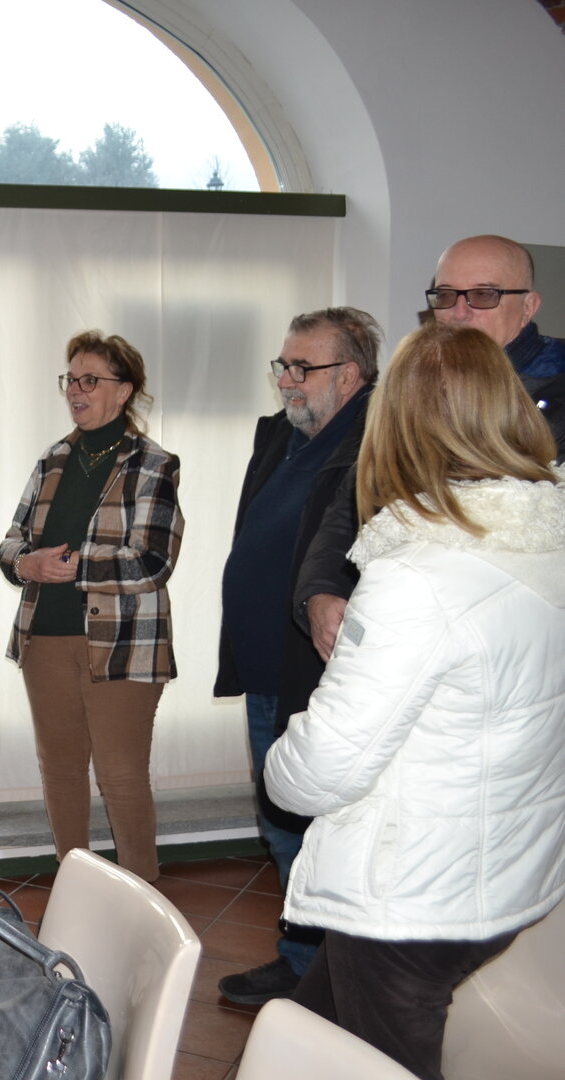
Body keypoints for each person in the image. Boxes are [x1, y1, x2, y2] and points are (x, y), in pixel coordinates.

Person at [266, 322, 565, 1080]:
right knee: (299, 1038)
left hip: (412, 897)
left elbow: (325, 765)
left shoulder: (419, 574)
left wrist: (279, 758)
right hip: (505, 870)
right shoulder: (547, 540)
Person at [213, 308, 380, 1005]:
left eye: (302, 367)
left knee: (315, 828)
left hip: (318, 671)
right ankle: (304, 961)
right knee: (281, 822)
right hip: (265, 664)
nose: (286, 380)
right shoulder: (281, 434)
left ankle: (329, 977)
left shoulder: (379, 442)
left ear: (351, 375)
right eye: (282, 365)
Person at [297, 235, 565, 662]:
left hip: (512, 641)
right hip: (402, 622)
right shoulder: (410, 386)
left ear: (528, 306)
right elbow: (354, 496)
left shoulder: (557, 389)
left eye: (483, 295)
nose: (459, 311)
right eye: (445, 295)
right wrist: (320, 589)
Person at [0, 331, 182, 884]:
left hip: (124, 644)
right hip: (43, 639)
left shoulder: (154, 463)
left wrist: (72, 565)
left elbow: (153, 561)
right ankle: (74, 887)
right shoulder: (52, 459)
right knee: (60, 771)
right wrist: (26, 563)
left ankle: (144, 900)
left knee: (121, 777)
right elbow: (11, 542)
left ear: (123, 392)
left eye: (90, 380)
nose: (76, 391)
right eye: (71, 380)